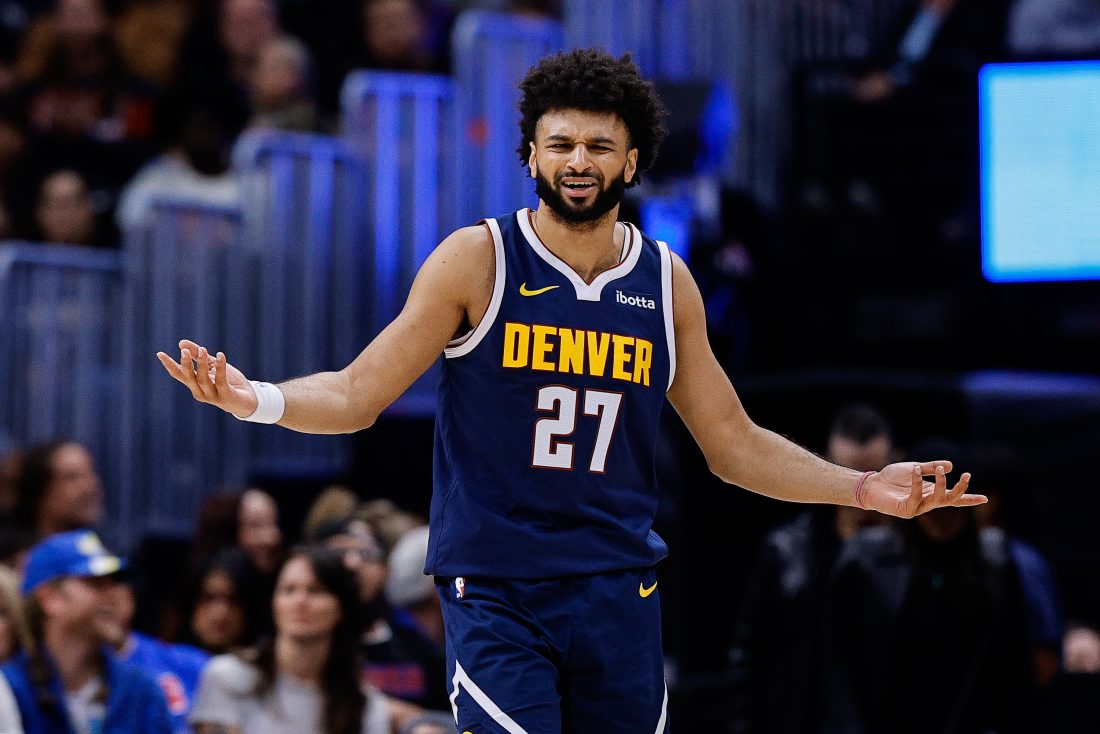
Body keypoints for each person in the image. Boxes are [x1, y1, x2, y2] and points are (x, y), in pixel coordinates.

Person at [157, 49, 984, 731]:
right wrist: (254, 397)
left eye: (595, 146)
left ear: (631, 159)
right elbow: (356, 394)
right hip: (499, 590)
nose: (577, 162)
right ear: (530, 156)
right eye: (559, 145)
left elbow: (733, 446)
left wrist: (864, 489)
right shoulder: (477, 259)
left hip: (619, 590)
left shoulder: (664, 282)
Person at [728, 402, 896, 734]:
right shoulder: (788, 548)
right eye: (851, 475)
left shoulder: (908, 553)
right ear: (829, 468)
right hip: (800, 717)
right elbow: (749, 655)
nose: (863, 492)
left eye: (873, 474)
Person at [189, 545, 419, 734]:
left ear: (342, 607)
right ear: (273, 603)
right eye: (288, 590)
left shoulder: (364, 706)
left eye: (315, 590)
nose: (300, 601)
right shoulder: (227, 676)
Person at [0, 530, 171, 734]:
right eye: (96, 582)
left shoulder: (140, 692)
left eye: (115, 581)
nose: (114, 593)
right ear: (50, 598)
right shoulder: (11, 688)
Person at [100, 577, 210, 734]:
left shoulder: (191, 663)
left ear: (131, 597)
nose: (108, 593)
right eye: (94, 584)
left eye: (117, 581)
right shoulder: (65, 677)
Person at [12, 440, 103, 540]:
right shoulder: (15, 553)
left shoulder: (111, 550)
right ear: (40, 492)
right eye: (72, 477)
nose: (89, 486)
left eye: (90, 474)